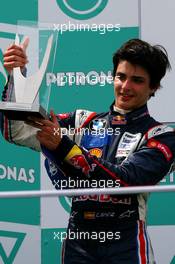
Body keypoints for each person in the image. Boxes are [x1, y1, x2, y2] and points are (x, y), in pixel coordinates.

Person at [1, 38, 175, 263]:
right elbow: (16, 131)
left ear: (154, 87)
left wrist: (63, 146)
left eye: (137, 80)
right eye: (121, 77)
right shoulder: (83, 122)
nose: (125, 86)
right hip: (79, 241)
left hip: (127, 243)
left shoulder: (160, 135)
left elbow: (126, 182)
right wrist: (17, 77)